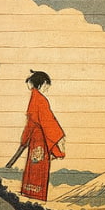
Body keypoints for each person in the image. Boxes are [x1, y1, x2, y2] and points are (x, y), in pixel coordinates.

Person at [18, 70, 65, 201]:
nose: (47, 89)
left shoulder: (35, 98)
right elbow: (48, 121)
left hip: (35, 138)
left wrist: (24, 139)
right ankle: (35, 195)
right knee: (39, 166)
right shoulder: (40, 100)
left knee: (33, 165)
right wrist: (59, 137)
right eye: (46, 86)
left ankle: (29, 192)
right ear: (42, 83)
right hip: (40, 138)